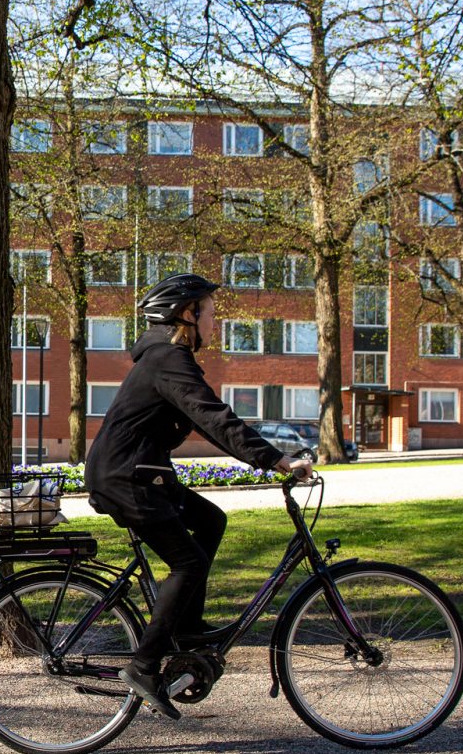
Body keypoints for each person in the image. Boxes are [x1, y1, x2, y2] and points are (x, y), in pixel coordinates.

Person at [85, 273, 313, 719]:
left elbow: (211, 422)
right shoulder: (169, 360)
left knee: (211, 521)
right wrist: (276, 460)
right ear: (187, 315)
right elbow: (215, 419)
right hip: (126, 479)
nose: (216, 322)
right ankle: (144, 666)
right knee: (186, 562)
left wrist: (264, 458)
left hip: (142, 474)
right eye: (210, 313)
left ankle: (186, 629)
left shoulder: (166, 358)